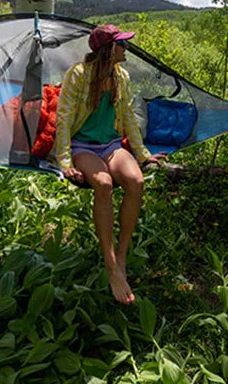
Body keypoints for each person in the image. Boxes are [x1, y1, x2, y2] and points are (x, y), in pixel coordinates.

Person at [53, 24, 166, 304]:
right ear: (108, 49)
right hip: (83, 146)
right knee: (103, 184)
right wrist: (65, 160)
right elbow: (64, 118)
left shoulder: (121, 76)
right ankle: (110, 263)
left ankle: (122, 253)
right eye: (122, 44)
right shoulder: (78, 75)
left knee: (136, 181)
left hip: (111, 146)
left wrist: (142, 154)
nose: (126, 49)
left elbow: (127, 117)